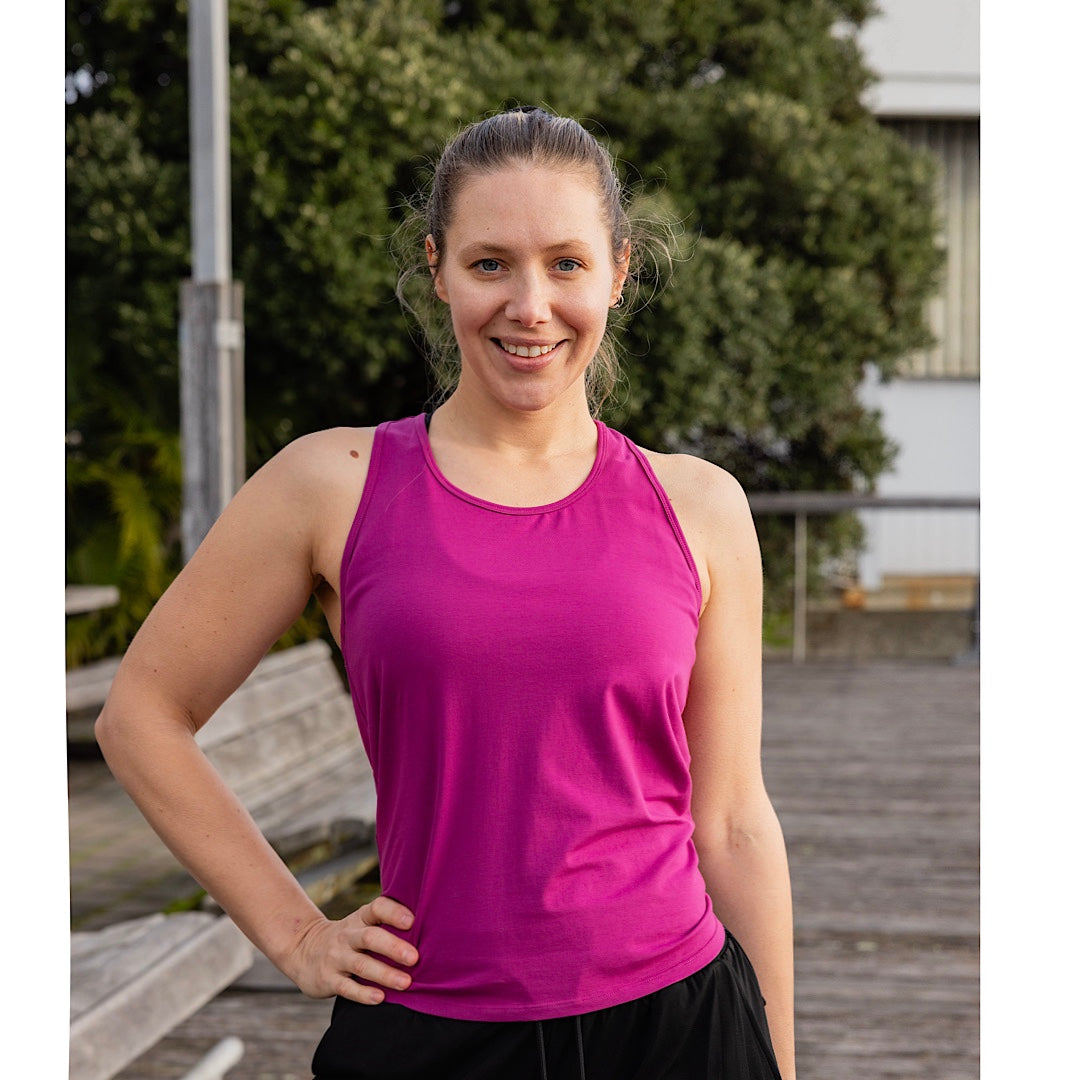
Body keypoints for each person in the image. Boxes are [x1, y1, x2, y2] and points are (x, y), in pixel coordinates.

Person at [96, 106, 796, 1080]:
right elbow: (140, 717)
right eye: (489, 264)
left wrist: (777, 1058)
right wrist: (296, 934)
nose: (530, 304)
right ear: (437, 269)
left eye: (566, 263)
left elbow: (731, 821)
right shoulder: (329, 485)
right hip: (431, 1031)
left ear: (619, 272)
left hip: (681, 1026)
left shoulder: (702, 506)